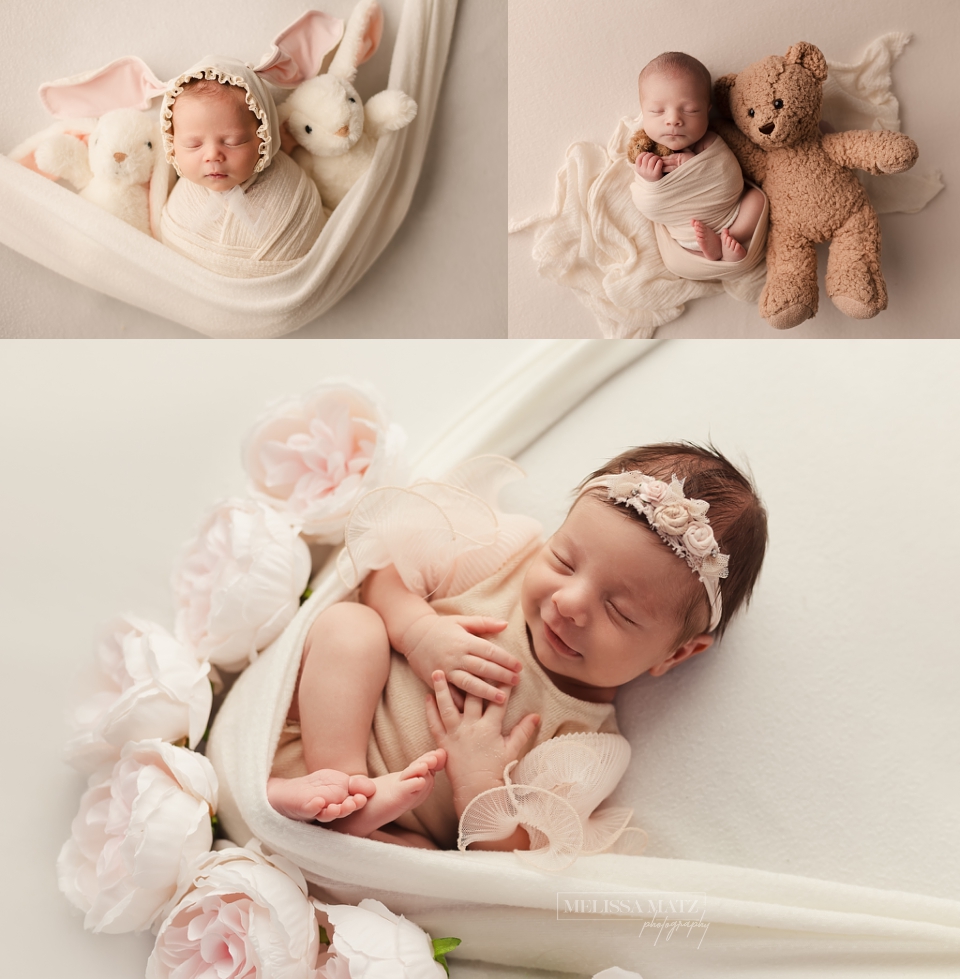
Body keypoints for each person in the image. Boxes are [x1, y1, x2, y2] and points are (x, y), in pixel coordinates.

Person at [266, 445, 768, 851]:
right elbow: (382, 574)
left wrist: (479, 782)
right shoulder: (499, 557)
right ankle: (340, 784)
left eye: (620, 611)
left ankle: (334, 818)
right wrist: (418, 632)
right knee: (351, 626)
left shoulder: (583, 744)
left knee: (424, 861)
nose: (569, 600)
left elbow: (521, 854)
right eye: (565, 561)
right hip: (310, 734)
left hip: (388, 834)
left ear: (675, 654)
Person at [159, 60, 326, 277]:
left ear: (264, 137)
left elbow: (310, 241)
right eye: (193, 145)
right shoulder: (181, 202)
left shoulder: (291, 190)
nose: (212, 156)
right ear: (172, 144)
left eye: (233, 141)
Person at [631, 52, 766, 262]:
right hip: (686, 232)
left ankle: (727, 239)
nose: (673, 120)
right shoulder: (646, 153)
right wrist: (650, 180)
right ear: (643, 112)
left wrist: (692, 164)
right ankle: (709, 251)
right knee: (676, 260)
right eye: (658, 111)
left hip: (731, 216)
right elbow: (647, 203)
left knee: (757, 200)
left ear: (707, 111)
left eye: (691, 110)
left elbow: (728, 176)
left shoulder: (709, 141)